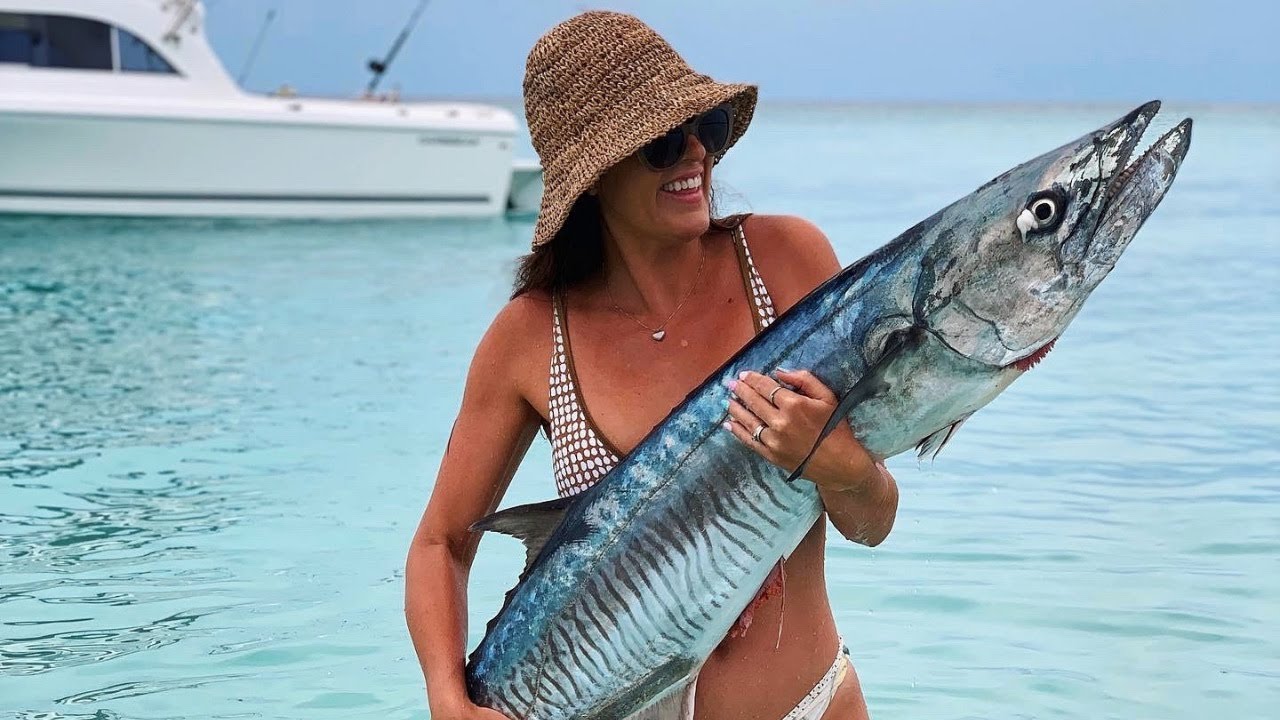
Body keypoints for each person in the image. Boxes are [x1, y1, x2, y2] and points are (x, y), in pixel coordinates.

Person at [405, 11, 899, 720]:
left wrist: (834, 462)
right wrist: (449, 702)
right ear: (593, 178)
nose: (696, 154)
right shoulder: (530, 337)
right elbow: (438, 544)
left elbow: (872, 521)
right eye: (663, 142)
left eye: (709, 129)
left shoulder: (787, 264)